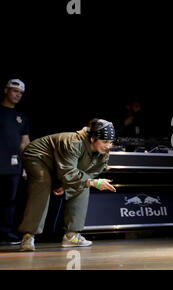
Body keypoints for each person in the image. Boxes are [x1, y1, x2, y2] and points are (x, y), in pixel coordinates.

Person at [18, 119, 117, 251]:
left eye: (110, 142)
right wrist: (92, 182)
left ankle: (72, 236)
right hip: (38, 156)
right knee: (43, 184)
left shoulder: (103, 152)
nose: (108, 146)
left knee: (84, 184)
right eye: (105, 142)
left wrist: (70, 184)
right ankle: (28, 236)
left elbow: (90, 173)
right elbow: (68, 171)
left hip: (60, 164)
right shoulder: (74, 142)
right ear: (93, 138)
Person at [0, 79, 30, 245]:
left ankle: (6, 233)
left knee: (9, 201)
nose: (18, 95)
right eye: (14, 91)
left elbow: (24, 143)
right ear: (6, 90)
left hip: (12, 166)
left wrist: (26, 164)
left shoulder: (21, 117)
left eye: (20, 93)